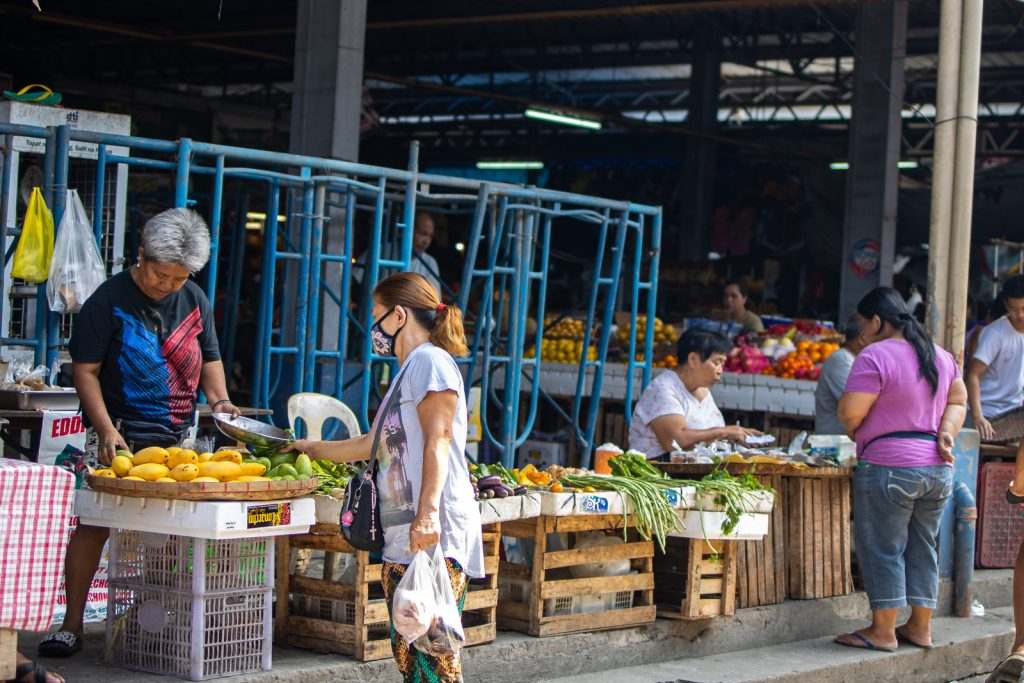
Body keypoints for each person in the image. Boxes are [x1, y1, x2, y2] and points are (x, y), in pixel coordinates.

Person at [38, 209, 239, 658]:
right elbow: (85, 371)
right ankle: (71, 626)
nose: (167, 285)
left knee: (168, 533)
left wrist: (220, 401)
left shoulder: (194, 298)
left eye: (178, 277)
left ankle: (150, 622)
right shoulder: (108, 299)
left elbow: (209, 357)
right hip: (121, 432)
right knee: (94, 524)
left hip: (177, 437)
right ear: (141, 254)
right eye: (160, 274)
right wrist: (106, 429)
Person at [292, 271, 481, 683]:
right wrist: (309, 448)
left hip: (433, 535)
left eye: (377, 316)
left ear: (398, 315)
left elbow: (439, 438)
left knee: (434, 658)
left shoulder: (431, 363)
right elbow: (368, 444)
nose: (373, 328)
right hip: (405, 537)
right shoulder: (407, 372)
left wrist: (428, 514)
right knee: (411, 656)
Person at [834, 287, 966, 653]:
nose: (860, 333)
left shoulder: (874, 355)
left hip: (889, 466)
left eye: (863, 324)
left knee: (883, 547)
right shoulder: (940, 355)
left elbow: (850, 414)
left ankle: (883, 631)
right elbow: (958, 401)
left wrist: (860, 429)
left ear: (877, 322)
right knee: (924, 546)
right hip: (938, 468)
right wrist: (946, 434)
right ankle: (921, 628)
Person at [628, 328, 760, 457]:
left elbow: (710, 438)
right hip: (659, 473)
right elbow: (675, 441)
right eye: (716, 362)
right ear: (693, 359)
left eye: (722, 364)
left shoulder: (703, 391)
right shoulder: (663, 389)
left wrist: (735, 437)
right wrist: (724, 432)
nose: (720, 370)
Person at [967, 276, 1024, 441]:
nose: (1020, 315)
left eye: (1023, 308)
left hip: (1015, 411)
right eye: (1014, 309)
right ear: (1006, 305)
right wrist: (978, 417)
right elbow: (973, 375)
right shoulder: (995, 333)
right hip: (990, 414)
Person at [354, 211, 442, 294]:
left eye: (430, 236)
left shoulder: (430, 263)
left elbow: (434, 299)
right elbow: (352, 279)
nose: (426, 241)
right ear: (409, 230)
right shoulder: (380, 251)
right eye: (423, 233)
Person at [814, 317, 867, 434]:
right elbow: (857, 404)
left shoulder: (853, 360)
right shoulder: (842, 361)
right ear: (862, 339)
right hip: (833, 444)